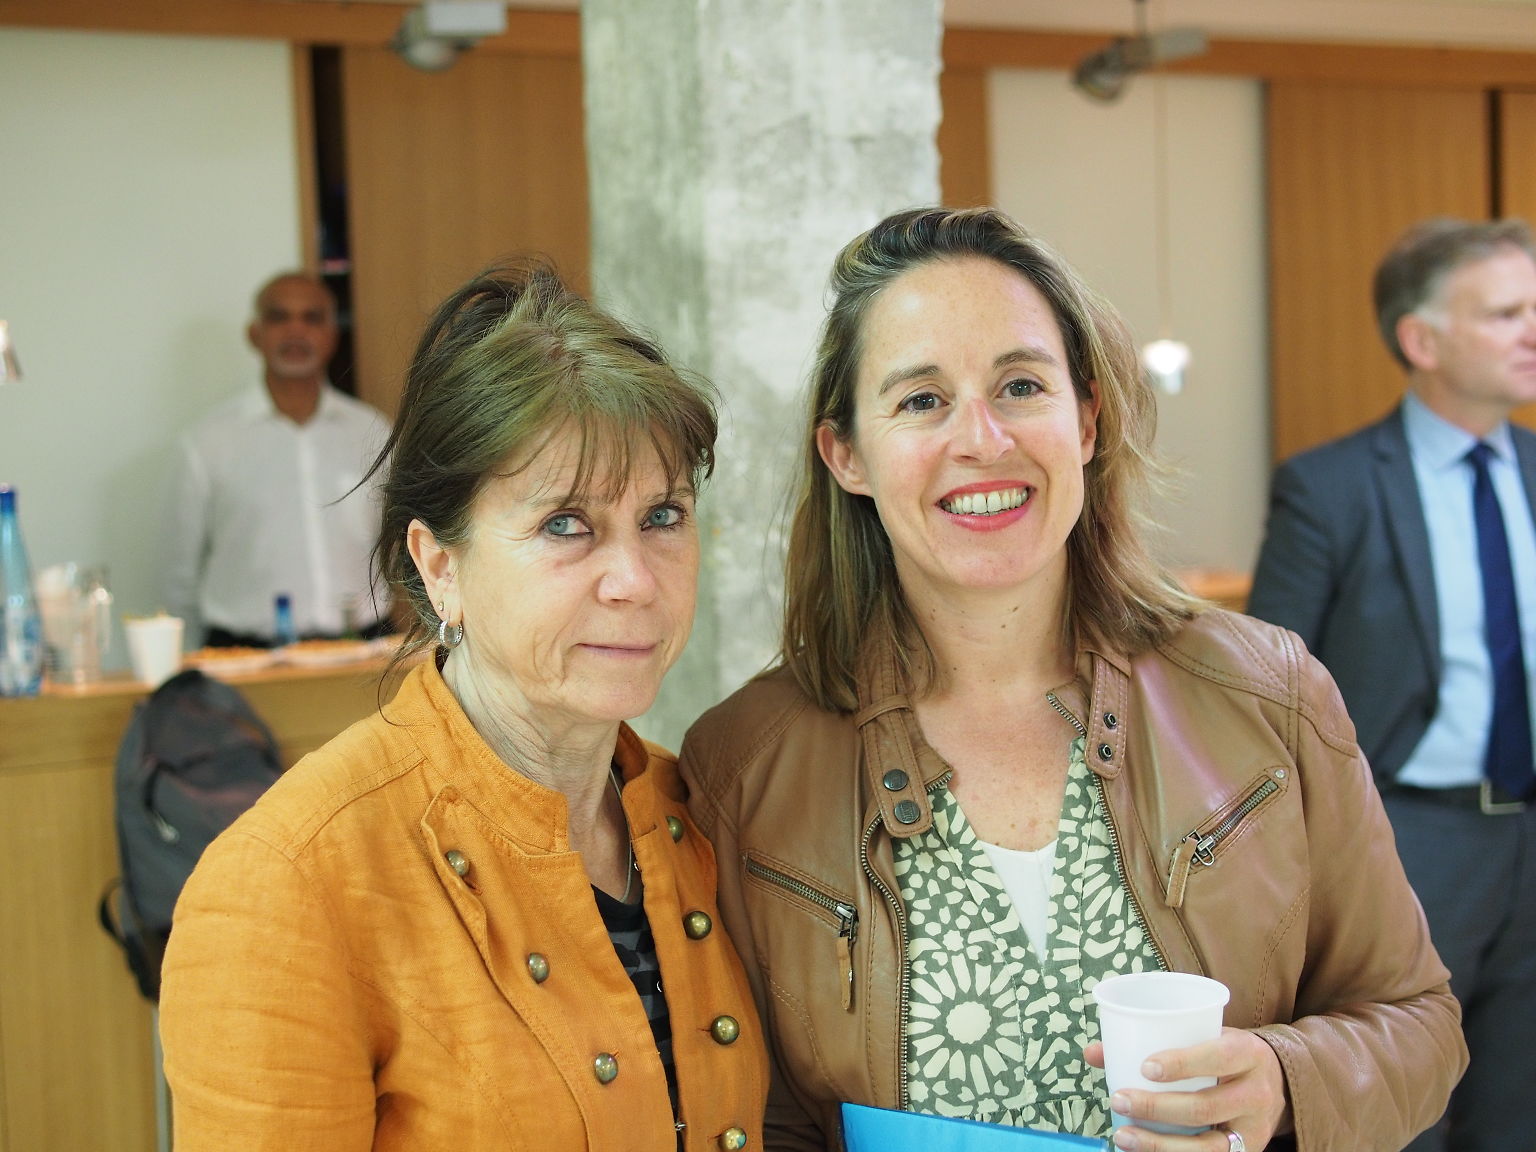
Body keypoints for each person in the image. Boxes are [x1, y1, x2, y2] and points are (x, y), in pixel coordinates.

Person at [680, 207, 1465, 1152]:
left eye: (1020, 386)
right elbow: (752, 1118)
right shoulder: (742, 765)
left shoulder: (1270, 694)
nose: (982, 440)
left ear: (1086, 420)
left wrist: (1284, 1081)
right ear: (846, 454)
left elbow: (1418, 1021)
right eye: (921, 400)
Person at [159, 263, 768, 1149]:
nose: (635, 581)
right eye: (566, 524)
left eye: (663, 515)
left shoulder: (705, 814)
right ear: (440, 567)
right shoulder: (289, 880)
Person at [1248, 217, 1536, 1152]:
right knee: (1408, 1110)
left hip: (1532, 832)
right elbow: (1266, 694)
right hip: (1408, 835)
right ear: (1422, 340)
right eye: (1506, 314)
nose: (1532, 331)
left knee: (1520, 1104)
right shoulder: (1328, 489)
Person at [163, 271, 391, 647]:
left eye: (311, 318)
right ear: (255, 334)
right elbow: (179, 574)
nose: (295, 331)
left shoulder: (373, 432)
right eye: (279, 317)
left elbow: (403, 545)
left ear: (332, 335)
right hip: (243, 654)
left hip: (363, 647)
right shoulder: (207, 442)